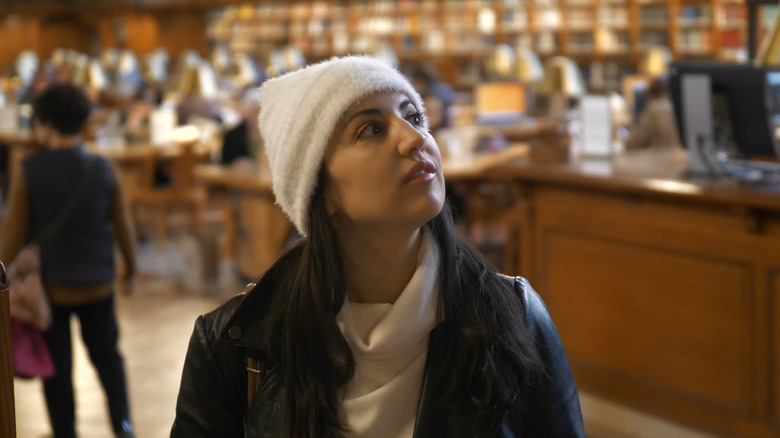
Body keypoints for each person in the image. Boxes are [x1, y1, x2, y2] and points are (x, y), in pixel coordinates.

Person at [171, 56, 584, 437]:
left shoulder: (515, 314)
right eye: (371, 129)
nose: (414, 139)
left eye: (414, 116)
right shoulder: (234, 346)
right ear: (318, 190)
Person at [0, 84, 137, 438]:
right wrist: (131, 271)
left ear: (44, 124)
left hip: (53, 291)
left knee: (58, 372)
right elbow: (123, 227)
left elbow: (12, 236)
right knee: (109, 363)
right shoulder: (102, 168)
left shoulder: (30, 171)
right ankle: (123, 428)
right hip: (99, 285)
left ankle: (65, 433)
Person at [625, 76, 681, 150]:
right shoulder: (675, 107)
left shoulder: (653, 110)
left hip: (660, 157)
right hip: (678, 157)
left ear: (649, 94)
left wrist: (626, 144)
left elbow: (637, 140)